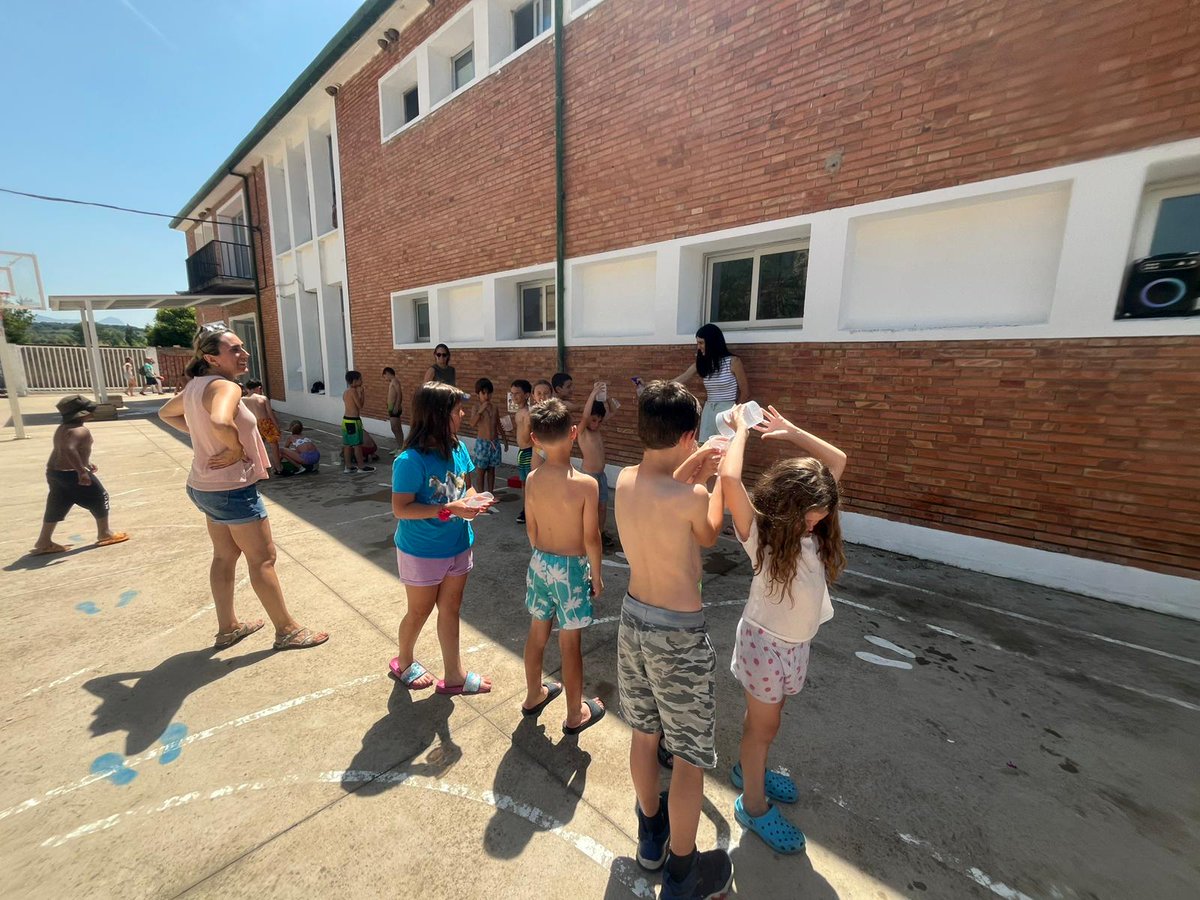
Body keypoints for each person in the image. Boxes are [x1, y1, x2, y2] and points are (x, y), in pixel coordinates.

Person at [614, 380, 731, 898]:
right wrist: (723, 472)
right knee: (687, 757)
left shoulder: (624, 481)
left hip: (633, 622)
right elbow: (707, 530)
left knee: (643, 735)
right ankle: (683, 875)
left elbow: (665, 487)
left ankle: (651, 836)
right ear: (688, 435)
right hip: (678, 637)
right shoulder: (692, 496)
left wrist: (698, 459)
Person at [718, 403, 846, 855]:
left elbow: (838, 462)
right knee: (763, 729)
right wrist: (740, 432)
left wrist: (792, 431)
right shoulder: (762, 535)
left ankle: (747, 768)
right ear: (790, 504)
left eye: (823, 513)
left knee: (764, 725)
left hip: (795, 646)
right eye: (811, 513)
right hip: (764, 647)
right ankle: (752, 804)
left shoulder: (809, 534)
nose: (819, 520)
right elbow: (731, 481)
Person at [158, 324, 328, 651]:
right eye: (234, 349)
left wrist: (201, 439)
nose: (243, 353)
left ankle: (228, 628)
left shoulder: (196, 386)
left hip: (204, 487)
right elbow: (221, 422)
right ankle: (287, 630)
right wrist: (234, 449)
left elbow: (167, 413)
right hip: (231, 489)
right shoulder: (226, 387)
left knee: (224, 556)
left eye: (242, 347)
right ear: (211, 357)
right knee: (263, 559)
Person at [389, 381, 495, 694]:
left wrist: (476, 502)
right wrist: (450, 509)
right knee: (419, 611)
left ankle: (454, 675)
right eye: (457, 410)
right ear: (437, 415)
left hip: (459, 545)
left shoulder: (458, 447)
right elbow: (401, 508)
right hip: (421, 551)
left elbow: (467, 487)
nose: (463, 414)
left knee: (451, 610)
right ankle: (404, 662)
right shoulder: (409, 461)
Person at [520, 399, 606, 735]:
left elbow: (531, 526)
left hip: (540, 561)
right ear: (573, 433)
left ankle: (533, 694)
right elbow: (592, 538)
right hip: (571, 569)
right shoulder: (586, 484)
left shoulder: (532, 478)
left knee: (537, 632)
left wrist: (541, 556)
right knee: (570, 645)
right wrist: (596, 575)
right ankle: (574, 714)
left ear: (536, 440)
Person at [30, 395, 130, 555]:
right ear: (82, 413)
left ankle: (44, 541)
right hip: (72, 474)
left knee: (57, 503)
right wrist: (81, 471)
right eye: (91, 410)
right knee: (100, 496)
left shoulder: (63, 428)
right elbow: (70, 449)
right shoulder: (80, 431)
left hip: (55, 473)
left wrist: (86, 463)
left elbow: (65, 450)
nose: (93, 413)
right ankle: (104, 533)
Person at [674, 324, 748, 441]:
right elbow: (682, 378)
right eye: (697, 343)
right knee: (706, 446)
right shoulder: (702, 363)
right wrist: (650, 386)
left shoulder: (733, 362)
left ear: (712, 342)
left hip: (728, 408)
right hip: (709, 410)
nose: (699, 347)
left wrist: (734, 412)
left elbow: (745, 391)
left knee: (726, 448)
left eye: (701, 343)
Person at [578, 381, 619, 551]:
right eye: (594, 420)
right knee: (589, 509)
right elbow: (586, 415)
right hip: (588, 476)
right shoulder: (582, 430)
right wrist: (593, 394)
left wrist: (605, 396)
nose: (596, 424)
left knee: (602, 507)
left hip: (601, 476)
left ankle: (599, 534)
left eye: (599, 421)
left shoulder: (597, 428)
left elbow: (614, 410)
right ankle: (585, 535)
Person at [468, 377, 507, 496]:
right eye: (483, 393)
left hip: (494, 443)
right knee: (481, 470)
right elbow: (472, 423)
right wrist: (480, 411)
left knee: (491, 470)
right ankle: (480, 494)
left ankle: (490, 493)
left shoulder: (494, 408)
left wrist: (504, 439)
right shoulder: (476, 407)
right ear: (478, 394)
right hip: (482, 443)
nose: (486, 396)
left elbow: (498, 424)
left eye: (489, 393)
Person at [341, 370, 377, 475]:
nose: (362, 381)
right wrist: (362, 394)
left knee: (347, 444)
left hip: (346, 420)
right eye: (360, 379)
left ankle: (348, 467)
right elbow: (360, 405)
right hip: (353, 421)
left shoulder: (346, 392)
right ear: (355, 380)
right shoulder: (353, 392)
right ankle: (361, 466)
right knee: (357, 445)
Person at [242, 380, 281, 472]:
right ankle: (278, 467)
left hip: (253, 424)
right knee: (274, 446)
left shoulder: (242, 400)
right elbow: (270, 414)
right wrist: (277, 426)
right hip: (266, 423)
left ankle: (260, 469)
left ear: (247, 389)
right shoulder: (263, 398)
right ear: (259, 388)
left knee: (257, 447)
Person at [528, 380, 554, 477]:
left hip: (554, 452)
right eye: (539, 393)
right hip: (539, 451)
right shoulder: (531, 413)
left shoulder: (557, 411)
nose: (542, 396)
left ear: (551, 394)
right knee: (537, 480)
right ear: (533, 396)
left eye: (546, 393)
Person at [384, 366, 404, 449]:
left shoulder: (395, 381)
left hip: (395, 407)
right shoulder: (392, 382)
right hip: (391, 407)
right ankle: (399, 447)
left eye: (385, 376)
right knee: (394, 428)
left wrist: (396, 406)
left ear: (388, 373)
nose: (385, 378)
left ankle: (402, 447)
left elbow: (399, 394)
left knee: (396, 428)